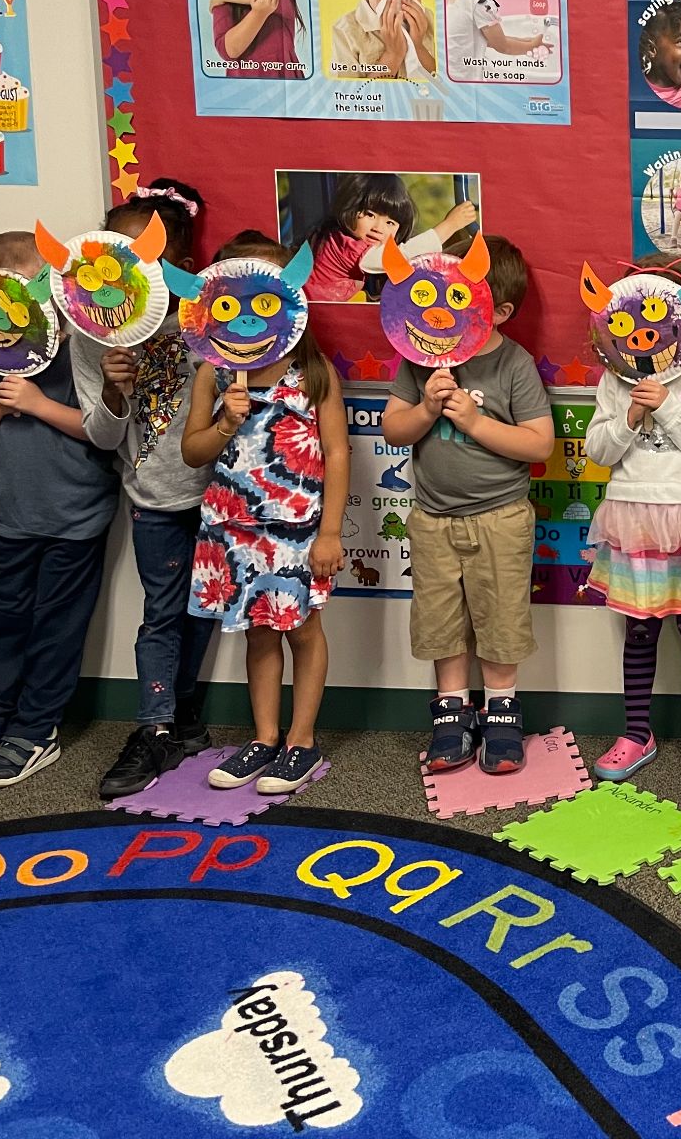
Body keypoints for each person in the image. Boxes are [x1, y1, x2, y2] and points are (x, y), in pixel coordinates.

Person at [0, 231, 118, 790]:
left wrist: (38, 404)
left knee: (56, 630)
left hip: (75, 518)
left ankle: (35, 729)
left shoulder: (80, 350)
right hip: (9, 518)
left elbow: (104, 436)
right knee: (0, 623)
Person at [181, 232, 349, 796]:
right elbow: (193, 452)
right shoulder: (213, 370)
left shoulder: (315, 371)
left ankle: (301, 740)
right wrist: (226, 421)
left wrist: (329, 533)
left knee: (302, 629)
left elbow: (337, 452)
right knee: (257, 634)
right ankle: (265, 736)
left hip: (298, 531)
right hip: (234, 530)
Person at [380, 236, 554, 775]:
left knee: (501, 618)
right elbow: (394, 428)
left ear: (496, 311)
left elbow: (539, 444)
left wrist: (475, 422)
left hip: (501, 519)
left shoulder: (512, 364)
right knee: (441, 621)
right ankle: (451, 714)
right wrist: (428, 408)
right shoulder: (417, 359)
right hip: (433, 520)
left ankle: (502, 712)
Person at [85, 180, 221, 797]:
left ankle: (183, 713)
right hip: (155, 500)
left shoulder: (211, 322)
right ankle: (155, 728)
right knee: (161, 615)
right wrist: (114, 389)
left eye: (145, 255)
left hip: (221, 498)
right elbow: (104, 436)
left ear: (181, 264)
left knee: (202, 612)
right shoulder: (103, 335)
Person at [583, 255, 681, 781]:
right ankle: (636, 732)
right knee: (641, 630)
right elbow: (599, 452)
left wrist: (669, 404)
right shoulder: (613, 378)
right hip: (633, 513)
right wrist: (630, 413)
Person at [305, 173, 478, 304]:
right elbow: (401, 257)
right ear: (349, 209)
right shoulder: (350, 248)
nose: (378, 228)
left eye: (390, 222)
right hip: (317, 308)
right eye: (370, 214)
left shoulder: (335, 236)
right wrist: (450, 225)